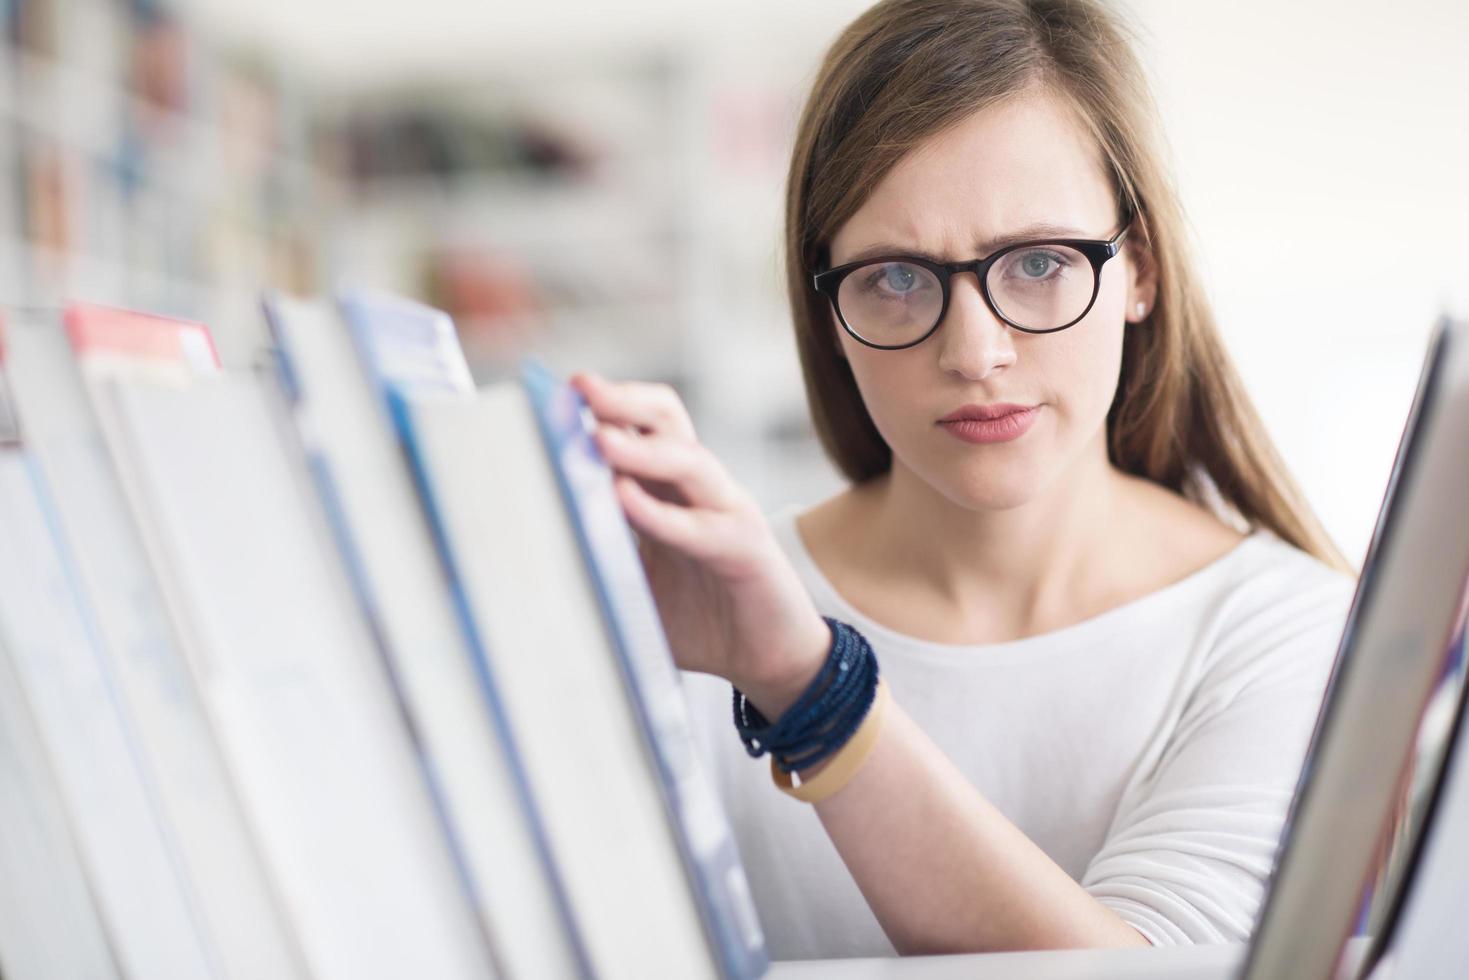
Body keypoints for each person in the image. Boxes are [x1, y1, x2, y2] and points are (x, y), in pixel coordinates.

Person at [571, 0, 1356, 960]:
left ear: (1139, 271)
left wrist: (808, 687)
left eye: (1037, 262)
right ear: (824, 311)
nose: (975, 352)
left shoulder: (1291, 633)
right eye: (896, 278)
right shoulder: (697, 611)